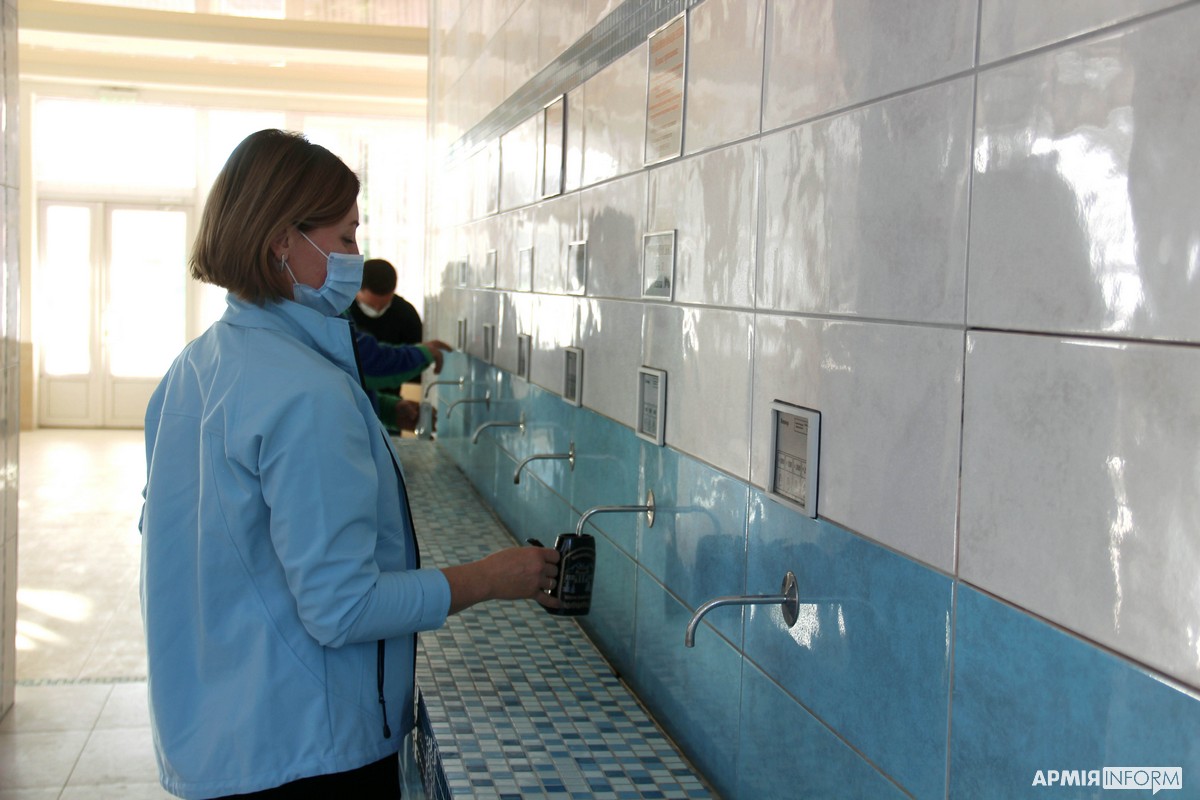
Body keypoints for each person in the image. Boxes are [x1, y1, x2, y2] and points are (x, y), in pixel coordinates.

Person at [139, 128, 560, 800]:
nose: (355, 258)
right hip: (306, 747)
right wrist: (492, 577)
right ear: (282, 241)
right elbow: (344, 607)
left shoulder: (192, 370)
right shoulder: (305, 392)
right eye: (345, 237)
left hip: (218, 738)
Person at [349, 258, 423, 345]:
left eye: (384, 305)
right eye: (370, 306)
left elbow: (414, 350)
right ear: (356, 289)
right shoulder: (342, 312)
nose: (377, 308)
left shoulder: (407, 314)